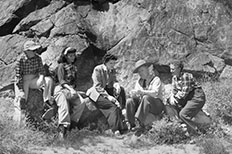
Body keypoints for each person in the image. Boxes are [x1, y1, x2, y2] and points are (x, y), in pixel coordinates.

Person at [86, 53, 126, 135]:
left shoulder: (112, 70)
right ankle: (115, 130)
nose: (113, 65)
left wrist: (116, 84)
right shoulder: (98, 69)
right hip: (97, 93)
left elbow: (114, 80)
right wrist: (109, 97)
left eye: (114, 63)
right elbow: (98, 86)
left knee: (121, 91)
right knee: (112, 106)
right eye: (111, 63)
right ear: (105, 62)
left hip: (106, 90)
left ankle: (123, 121)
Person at [126, 60, 165, 135]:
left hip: (156, 105)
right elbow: (137, 94)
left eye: (142, 70)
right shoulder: (139, 81)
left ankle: (139, 121)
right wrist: (134, 94)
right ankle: (131, 124)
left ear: (147, 69)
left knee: (146, 98)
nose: (140, 73)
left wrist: (142, 92)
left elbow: (155, 93)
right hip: (143, 104)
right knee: (129, 101)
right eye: (139, 72)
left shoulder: (156, 79)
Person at [53, 47, 85, 139]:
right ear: (65, 56)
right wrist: (70, 89)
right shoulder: (61, 66)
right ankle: (62, 130)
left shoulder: (74, 68)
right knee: (64, 107)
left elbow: (74, 83)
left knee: (81, 103)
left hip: (71, 89)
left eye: (73, 56)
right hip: (60, 89)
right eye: (70, 56)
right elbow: (61, 80)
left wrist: (74, 90)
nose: (72, 57)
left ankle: (72, 127)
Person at [168, 60, 206, 135]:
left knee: (183, 114)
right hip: (189, 98)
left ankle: (199, 131)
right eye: (170, 69)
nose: (171, 71)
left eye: (173, 69)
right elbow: (174, 91)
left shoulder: (186, 76)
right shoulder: (174, 78)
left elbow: (183, 94)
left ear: (179, 69)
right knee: (169, 101)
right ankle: (188, 129)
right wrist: (173, 95)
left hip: (197, 97)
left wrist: (175, 95)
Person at [15, 40, 53, 105]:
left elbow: (41, 70)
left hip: (34, 79)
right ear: (27, 51)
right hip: (24, 80)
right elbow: (18, 75)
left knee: (48, 80)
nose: (35, 52)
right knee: (22, 98)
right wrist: (21, 90)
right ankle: (22, 111)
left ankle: (46, 100)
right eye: (33, 50)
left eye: (36, 50)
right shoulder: (20, 60)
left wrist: (41, 77)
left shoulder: (38, 58)